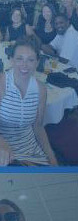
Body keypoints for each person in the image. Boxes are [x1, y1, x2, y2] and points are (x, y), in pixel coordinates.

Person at [0, 38, 58, 166]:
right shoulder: (2, 83)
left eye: (30, 60)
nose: (24, 65)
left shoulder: (41, 89)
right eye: (19, 58)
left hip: (30, 149)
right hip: (3, 150)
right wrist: (2, 144)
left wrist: (51, 156)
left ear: (37, 63)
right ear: (11, 60)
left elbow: (38, 127)